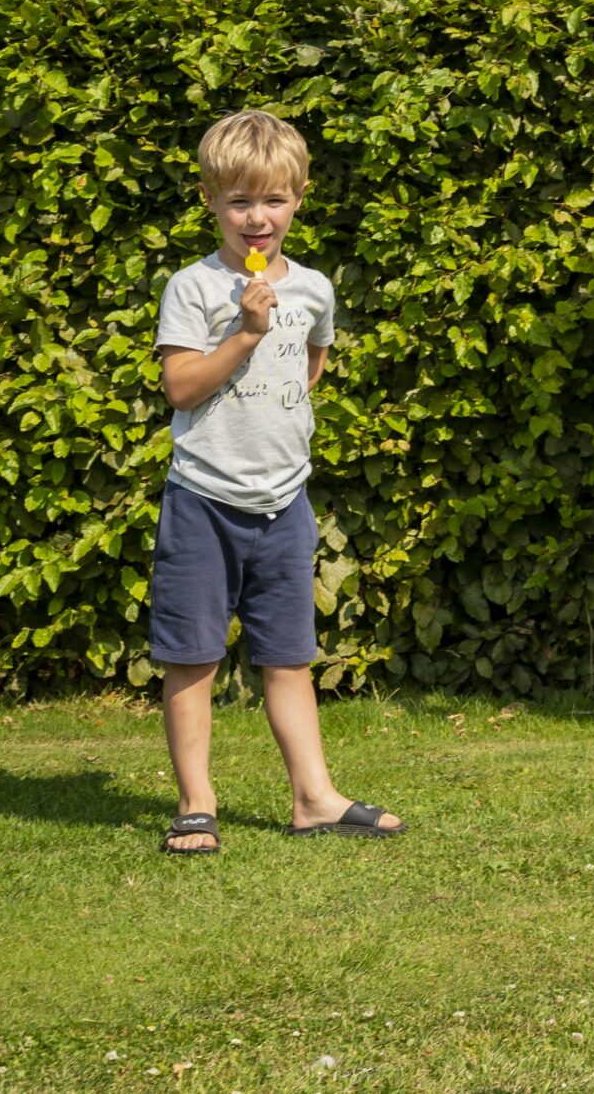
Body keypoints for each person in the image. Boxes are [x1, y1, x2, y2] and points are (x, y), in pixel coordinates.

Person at [150, 110, 402, 854]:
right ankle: (196, 804)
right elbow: (181, 387)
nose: (256, 218)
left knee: (290, 656)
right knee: (192, 656)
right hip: (204, 499)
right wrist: (246, 334)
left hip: (285, 502)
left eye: (273, 200)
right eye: (238, 201)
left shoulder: (315, 287)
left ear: (298, 198)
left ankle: (314, 798)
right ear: (210, 200)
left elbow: (310, 365)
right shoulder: (194, 287)